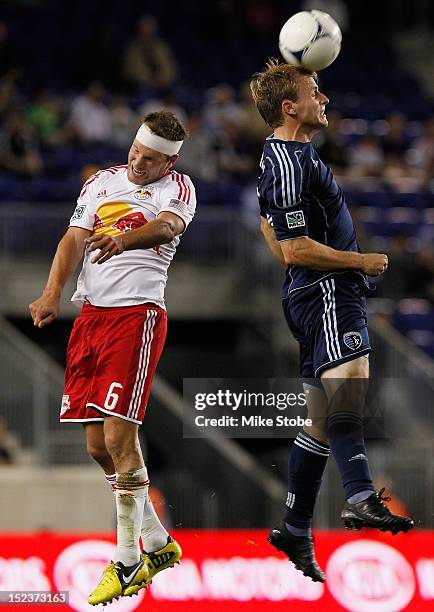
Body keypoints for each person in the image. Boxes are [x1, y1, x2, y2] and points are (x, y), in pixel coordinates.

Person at [250, 60, 413, 583]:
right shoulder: (290, 162)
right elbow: (294, 248)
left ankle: (295, 527)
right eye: (314, 90)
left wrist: (311, 263)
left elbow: (271, 234)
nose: (326, 97)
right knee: (350, 392)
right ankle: (361, 495)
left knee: (321, 421)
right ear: (289, 107)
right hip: (327, 293)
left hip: (311, 293)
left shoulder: (283, 159)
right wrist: (360, 261)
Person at [29, 110, 196, 605]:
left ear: (169, 163)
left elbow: (167, 228)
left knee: (122, 438)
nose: (138, 164)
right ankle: (160, 544)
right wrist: (52, 292)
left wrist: (123, 238)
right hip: (90, 320)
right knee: (98, 447)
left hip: (136, 317)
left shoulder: (178, 190)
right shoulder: (102, 182)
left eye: (150, 160)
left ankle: (126, 561)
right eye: (135, 153)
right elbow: (73, 239)